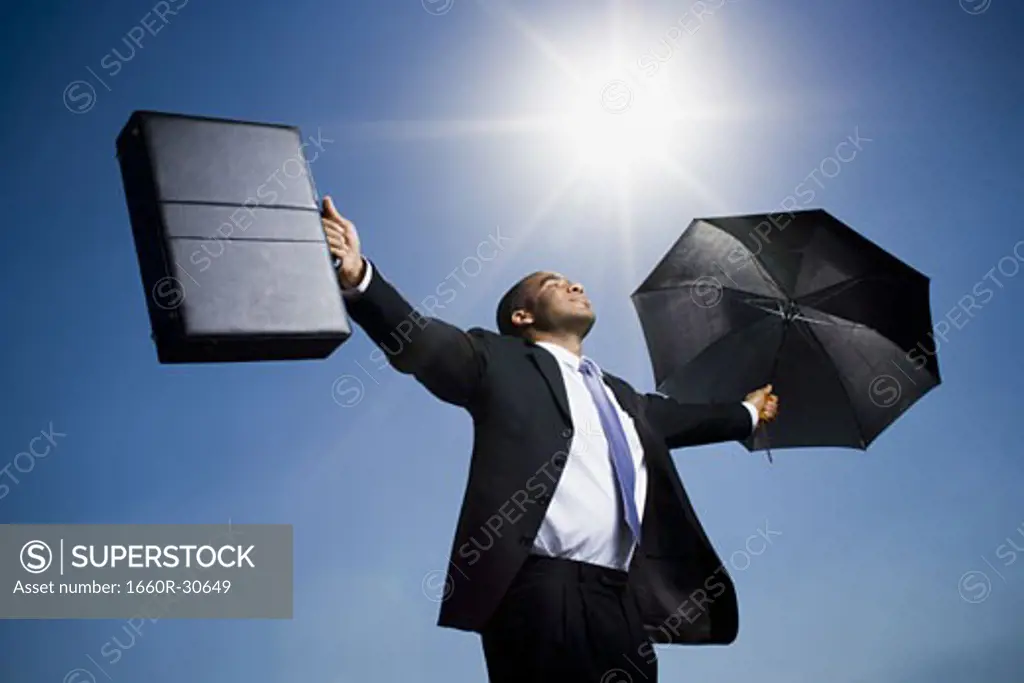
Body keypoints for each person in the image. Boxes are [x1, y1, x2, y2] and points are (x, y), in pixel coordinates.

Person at [321, 195, 779, 682]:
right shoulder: (495, 360)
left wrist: (749, 411)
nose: (574, 284)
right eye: (554, 283)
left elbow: (691, 419)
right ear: (523, 316)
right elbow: (420, 341)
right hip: (538, 592)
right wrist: (359, 278)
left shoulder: (623, 398)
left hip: (621, 600)